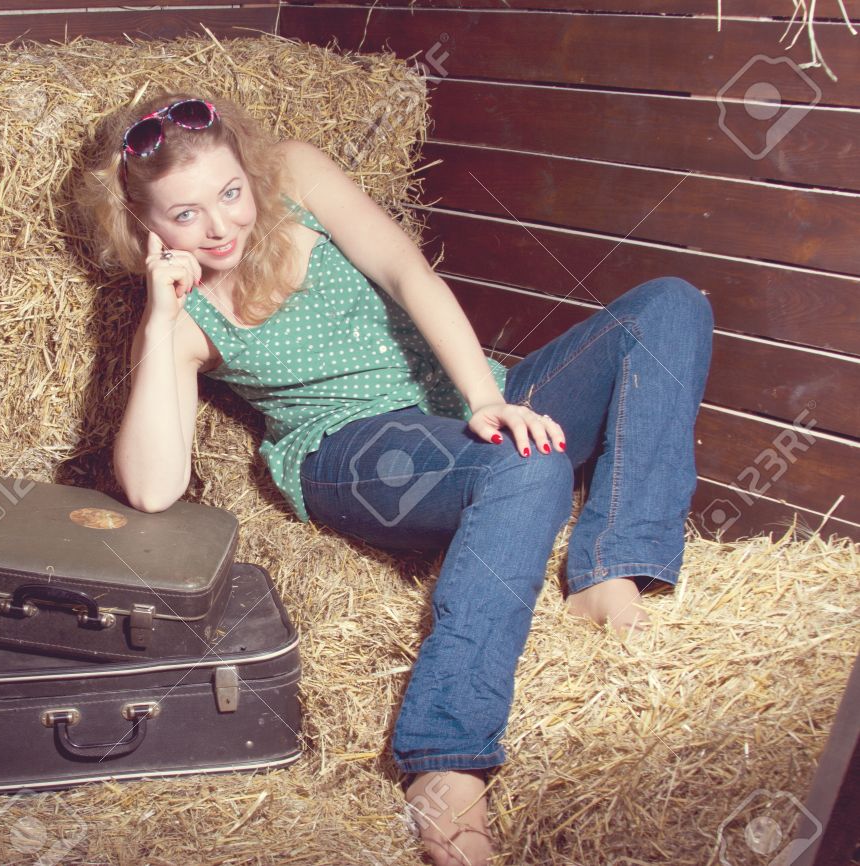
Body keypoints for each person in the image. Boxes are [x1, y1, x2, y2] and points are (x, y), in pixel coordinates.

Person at [77, 91, 713, 866]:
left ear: (249, 170)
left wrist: (487, 397)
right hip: (357, 451)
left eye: (230, 193)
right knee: (526, 467)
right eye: (184, 215)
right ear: (145, 227)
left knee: (669, 306)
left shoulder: (298, 174)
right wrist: (157, 316)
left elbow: (408, 274)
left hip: (469, 399)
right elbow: (151, 488)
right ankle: (444, 759)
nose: (219, 226)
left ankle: (610, 561)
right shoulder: (184, 321)